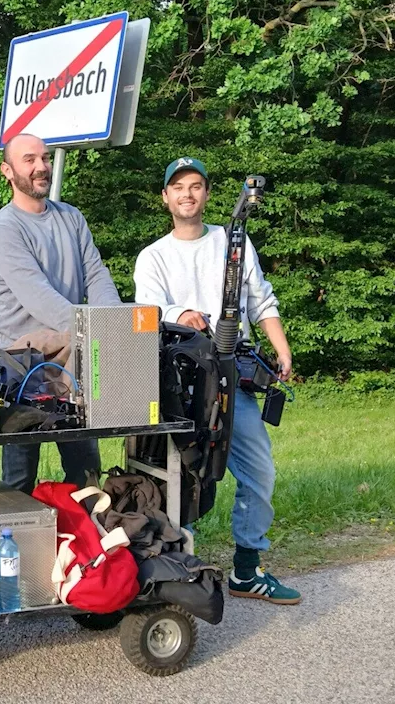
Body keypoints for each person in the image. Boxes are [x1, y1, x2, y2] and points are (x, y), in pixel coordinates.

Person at [133, 156, 301, 605]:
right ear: (166, 197)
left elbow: (260, 298)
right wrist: (181, 315)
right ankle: (178, 565)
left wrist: (280, 347)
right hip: (184, 382)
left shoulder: (233, 242)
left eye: (196, 186)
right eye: (179, 187)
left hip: (234, 375)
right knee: (184, 475)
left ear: (206, 194)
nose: (187, 194)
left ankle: (247, 569)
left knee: (259, 471)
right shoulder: (153, 256)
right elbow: (147, 310)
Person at [0, 133, 122, 494]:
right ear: (8, 171)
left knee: (86, 469)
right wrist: (95, 332)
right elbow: (38, 297)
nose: (41, 167)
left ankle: (82, 545)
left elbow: (97, 275)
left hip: (72, 355)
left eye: (44, 159)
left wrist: (114, 327)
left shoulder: (72, 218)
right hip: (18, 364)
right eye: (29, 160)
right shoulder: (4, 229)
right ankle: (19, 545)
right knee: (19, 476)